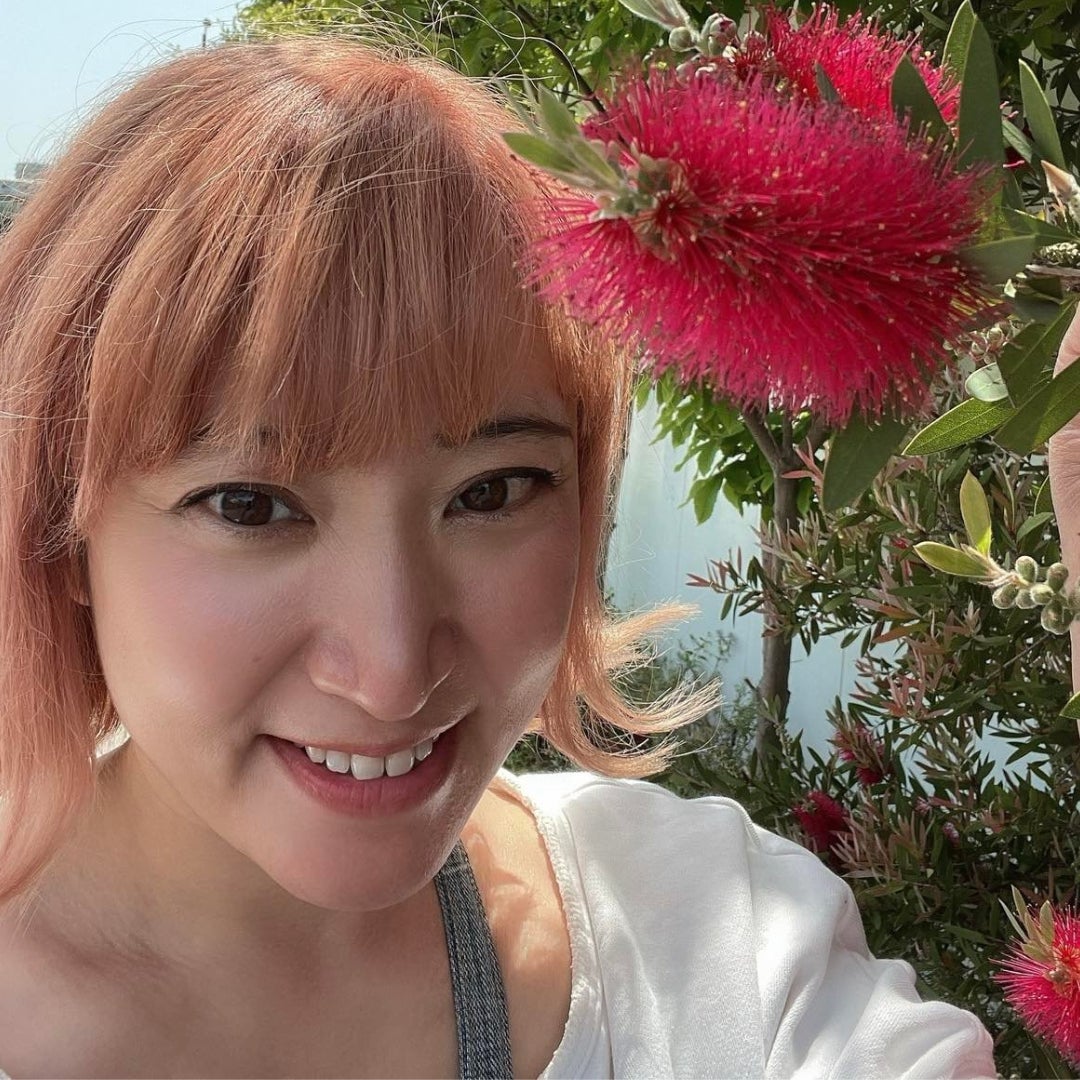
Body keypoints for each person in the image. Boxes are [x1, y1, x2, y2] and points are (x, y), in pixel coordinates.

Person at [0, 32, 996, 1079]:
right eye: (250, 506)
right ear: (59, 530)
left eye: (492, 492)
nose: (393, 672)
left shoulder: (715, 943)